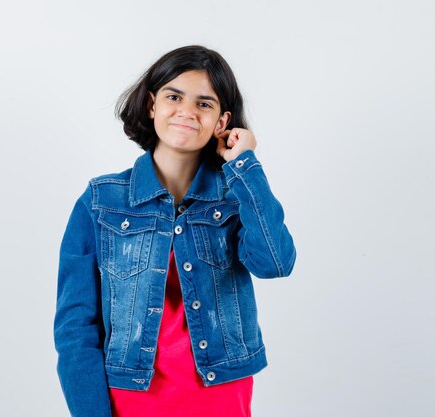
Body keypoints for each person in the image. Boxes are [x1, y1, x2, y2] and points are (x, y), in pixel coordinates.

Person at [54, 45, 297, 417]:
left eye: (204, 103)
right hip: (131, 398)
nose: (186, 111)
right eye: (173, 96)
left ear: (221, 122)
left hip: (220, 395)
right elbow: (76, 328)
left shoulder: (236, 196)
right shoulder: (101, 201)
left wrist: (245, 166)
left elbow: (275, 262)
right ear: (152, 105)